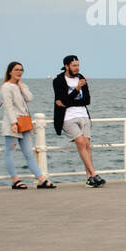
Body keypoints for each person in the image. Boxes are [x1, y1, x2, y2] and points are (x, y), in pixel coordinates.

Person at [0, 62, 55, 190]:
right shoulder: (6, 87)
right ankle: (15, 180)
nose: (19, 72)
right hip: (12, 123)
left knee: (29, 152)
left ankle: (41, 179)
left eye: (21, 70)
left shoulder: (20, 86)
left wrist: (21, 86)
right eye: (16, 70)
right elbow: (8, 106)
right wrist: (13, 123)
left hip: (24, 122)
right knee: (9, 152)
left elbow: (30, 98)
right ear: (10, 72)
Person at [52, 55, 103, 187]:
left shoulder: (81, 78)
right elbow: (61, 101)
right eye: (74, 65)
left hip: (83, 115)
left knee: (86, 144)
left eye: (78, 65)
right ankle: (94, 174)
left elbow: (87, 101)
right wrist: (76, 90)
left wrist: (69, 101)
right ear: (67, 66)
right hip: (67, 117)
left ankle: (89, 179)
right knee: (80, 142)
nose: (77, 68)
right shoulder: (58, 81)